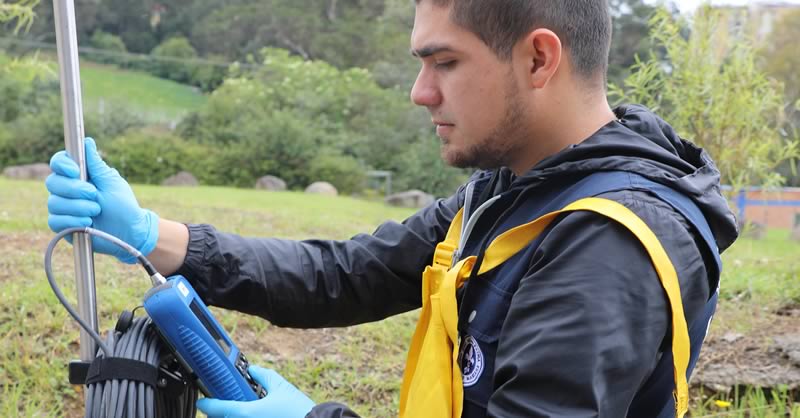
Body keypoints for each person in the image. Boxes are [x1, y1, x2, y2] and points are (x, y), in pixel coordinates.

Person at [46, 0, 739, 417]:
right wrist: (148, 235)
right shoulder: (514, 191)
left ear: (537, 59)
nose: (419, 92)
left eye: (445, 63)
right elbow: (348, 273)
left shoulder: (605, 245)